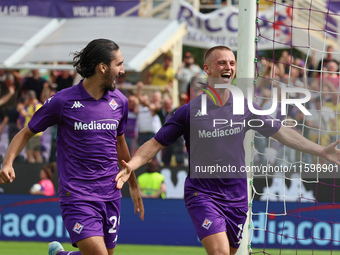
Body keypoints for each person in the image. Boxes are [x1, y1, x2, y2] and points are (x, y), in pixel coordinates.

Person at [115, 46, 340, 255]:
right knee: (220, 252)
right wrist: (131, 165)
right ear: (207, 68)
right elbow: (155, 143)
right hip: (202, 194)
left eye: (232, 63)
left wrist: (320, 150)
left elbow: (281, 132)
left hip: (237, 197)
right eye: (222, 63)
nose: (228, 67)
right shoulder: (188, 111)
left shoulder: (246, 106)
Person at [0, 39, 144, 255]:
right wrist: (8, 161)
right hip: (77, 194)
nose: (122, 71)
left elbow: (120, 145)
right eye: (119, 64)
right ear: (102, 67)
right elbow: (25, 132)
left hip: (110, 193)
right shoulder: (63, 101)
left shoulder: (120, 102)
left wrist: (132, 184)